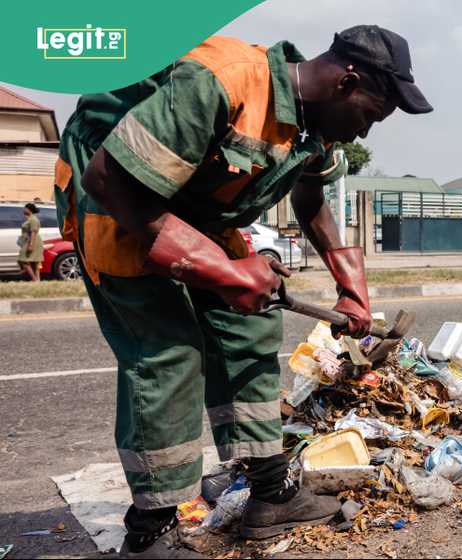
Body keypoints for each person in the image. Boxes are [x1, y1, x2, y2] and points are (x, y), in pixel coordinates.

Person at [53, 25, 432, 557]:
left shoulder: (313, 124)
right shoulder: (224, 83)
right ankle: (151, 530)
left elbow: (312, 195)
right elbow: (111, 181)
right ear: (347, 82)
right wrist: (230, 273)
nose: (365, 134)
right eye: (372, 115)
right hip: (116, 192)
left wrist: (353, 291)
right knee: (170, 352)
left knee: (251, 325)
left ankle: (273, 493)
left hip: (194, 207)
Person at [17, 203, 43, 282]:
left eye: (25, 208)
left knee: (23, 260)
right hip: (28, 241)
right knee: (34, 262)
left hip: (32, 241)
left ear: (29, 209)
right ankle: (37, 280)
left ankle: (34, 279)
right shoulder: (30, 219)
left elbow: (33, 232)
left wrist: (31, 245)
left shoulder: (33, 219)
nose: (23, 210)